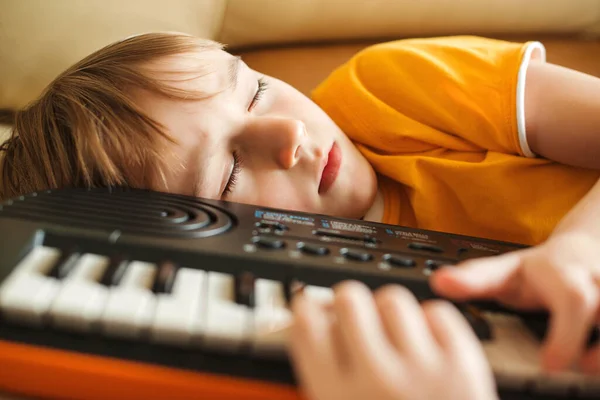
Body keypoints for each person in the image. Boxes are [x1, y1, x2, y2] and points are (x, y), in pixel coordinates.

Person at [1, 32, 600, 399]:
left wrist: (578, 250)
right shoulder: (250, 311)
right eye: (229, 172)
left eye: (255, 89)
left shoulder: (390, 87)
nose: (287, 131)